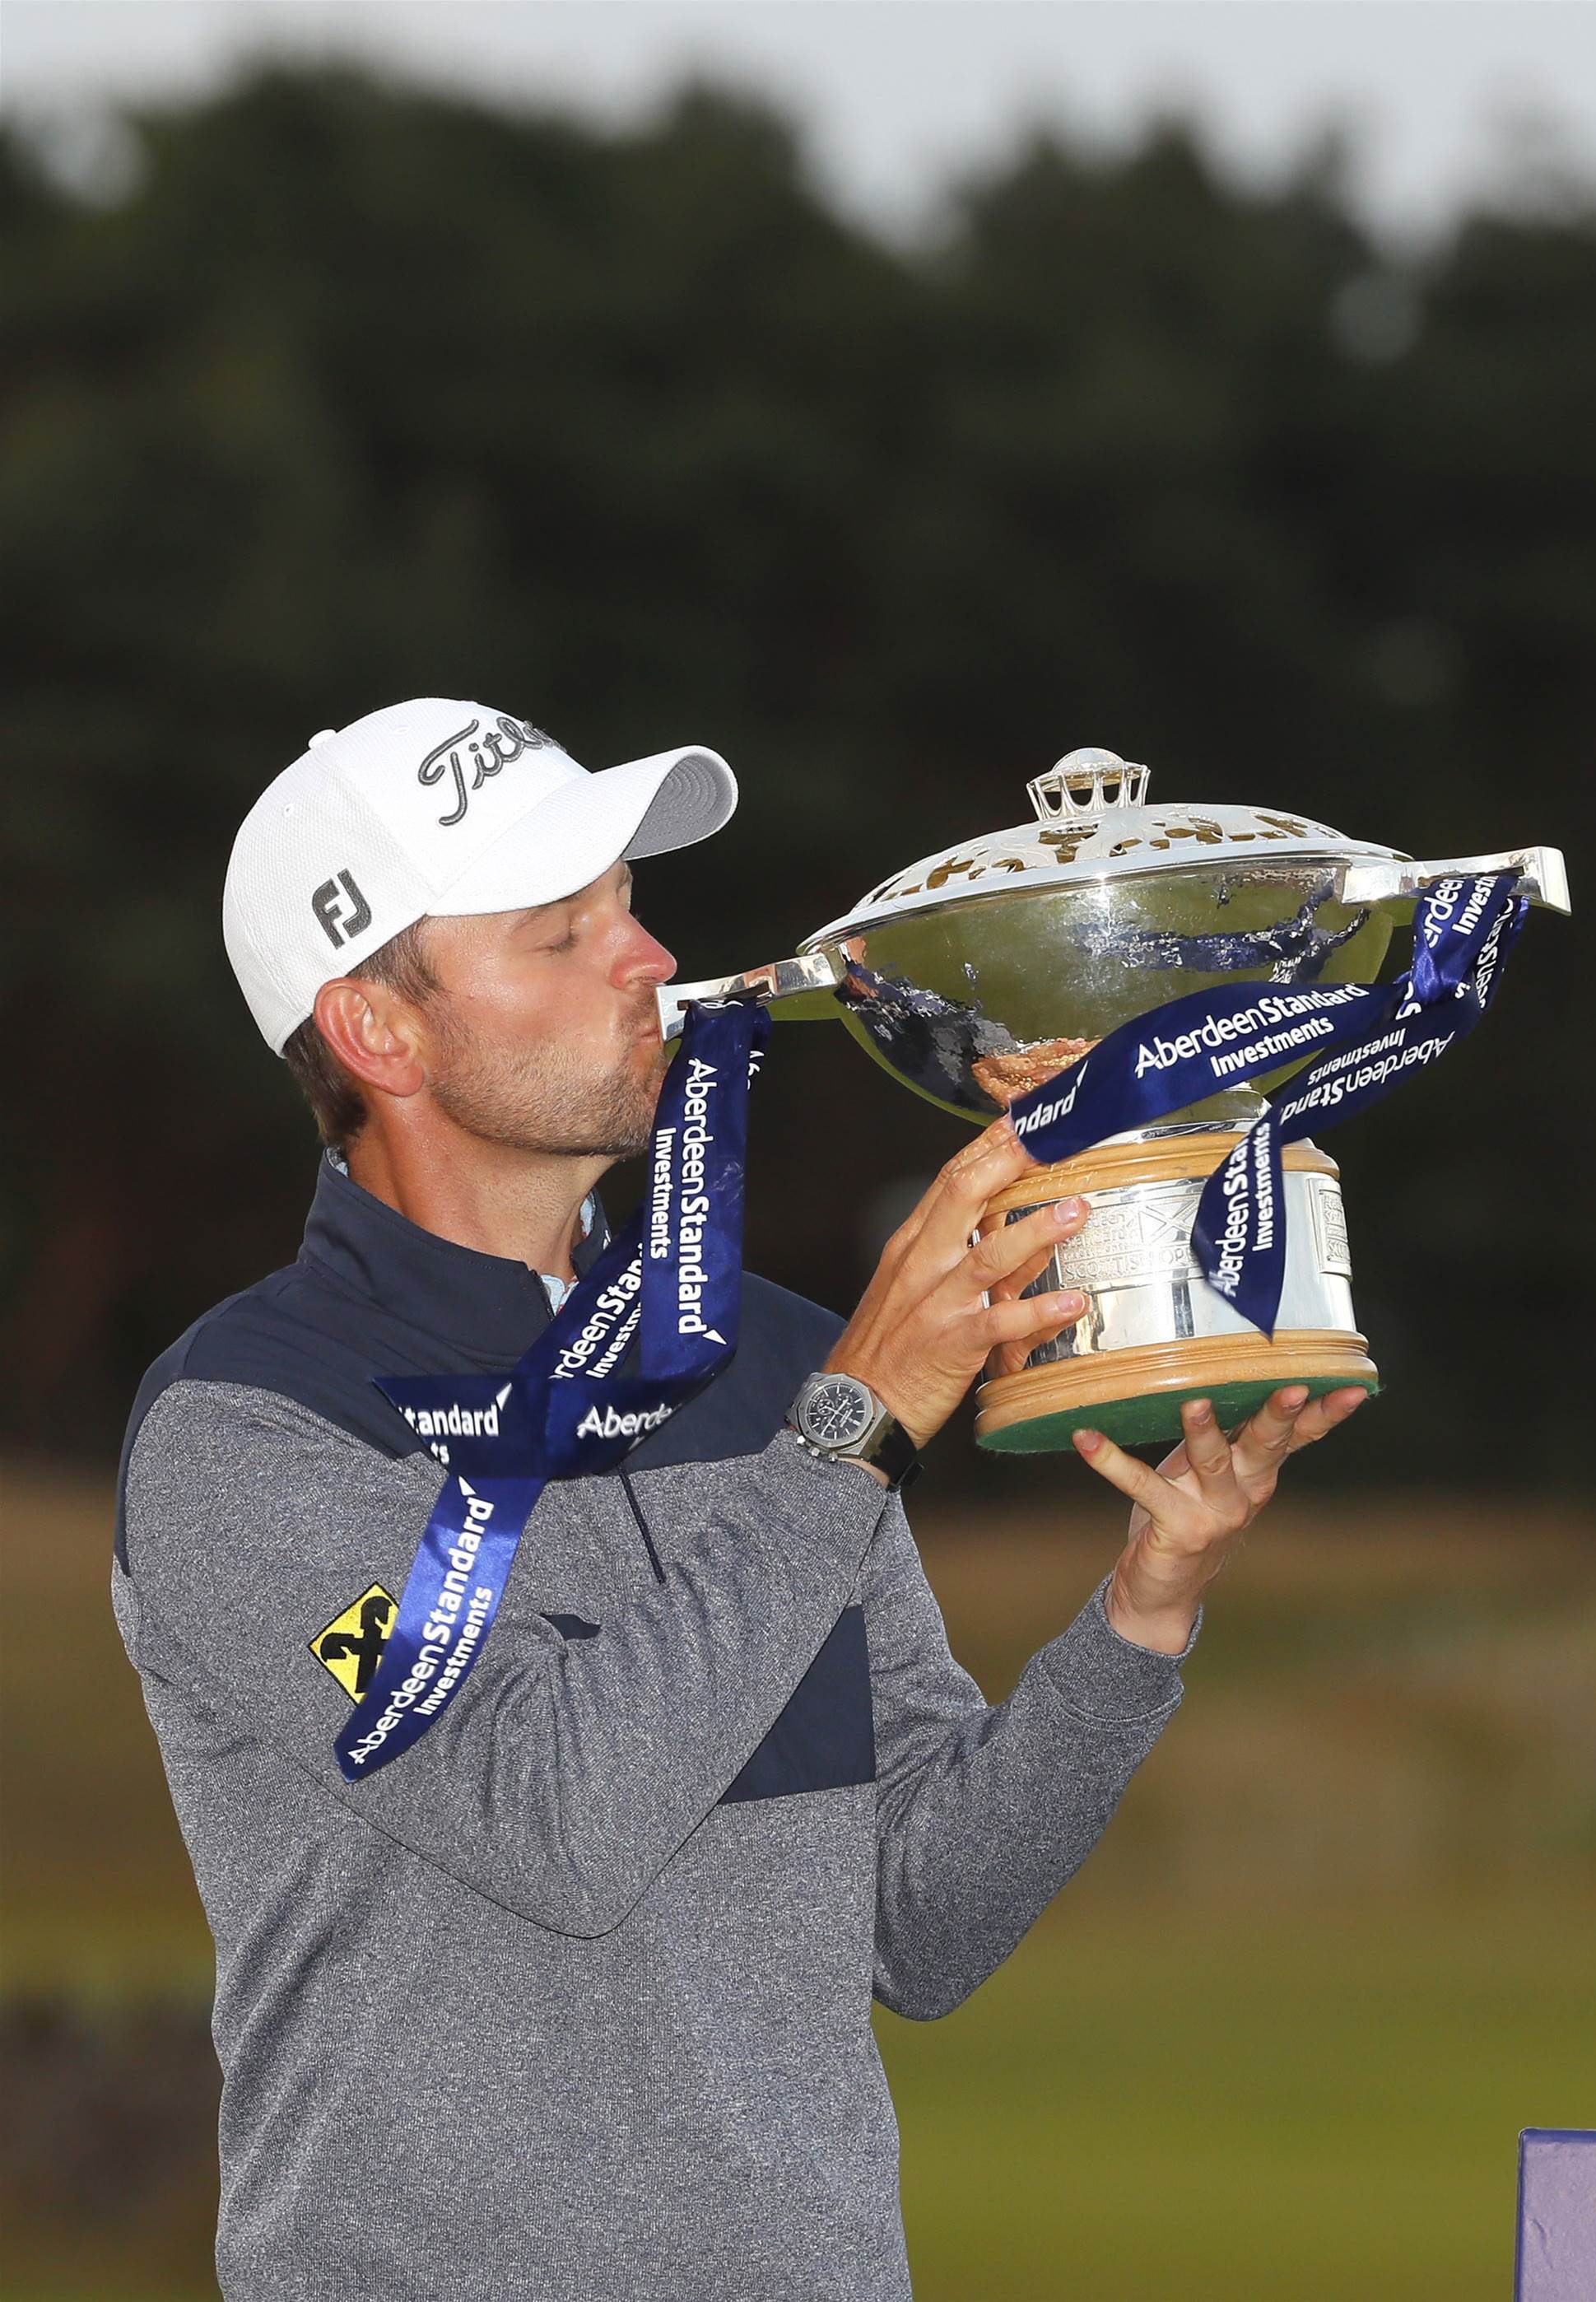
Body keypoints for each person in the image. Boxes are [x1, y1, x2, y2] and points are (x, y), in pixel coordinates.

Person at [112, 698, 1364, 2302]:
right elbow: (554, 1818)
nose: (650, 961)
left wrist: (1142, 1615)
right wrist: (849, 1432)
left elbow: (921, 1922)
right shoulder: (248, 1429)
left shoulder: (775, 1365)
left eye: (630, 907)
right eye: (563, 935)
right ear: (381, 1032)